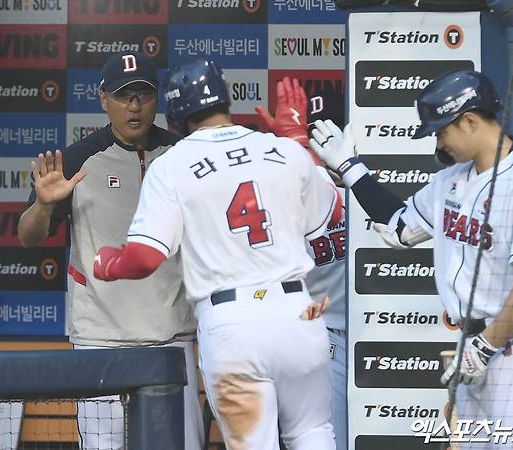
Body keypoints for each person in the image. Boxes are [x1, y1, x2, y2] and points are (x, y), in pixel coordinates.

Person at [93, 56, 343, 450]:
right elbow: (330, 214)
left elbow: (144, 258)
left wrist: (107, 264)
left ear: (175, 112)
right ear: (226, 100)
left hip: (233, 324)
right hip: (297, 313)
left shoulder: (172, 164)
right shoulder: (281, 149)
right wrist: (297, 143)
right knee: (313, 433)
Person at [310, 69, 513, 449]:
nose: (438, 142)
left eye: (442, 131)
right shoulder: (451, 180)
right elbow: (398, 227)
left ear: (470, 121)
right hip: (473, 348)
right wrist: (350, 167)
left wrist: (485, 347)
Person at [17, 50, 203, 450]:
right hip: (101, 334)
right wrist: (44, 205)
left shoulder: (184, 156)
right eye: (122, 95)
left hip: (172, 334)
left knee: (180, 445)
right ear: (104, 99)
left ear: (158, 99)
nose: (133, 106)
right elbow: (28, 237)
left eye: (143, 94)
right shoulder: (76, 159)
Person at [256, 80, 347, 450]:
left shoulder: (368, 184)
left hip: (370, 336)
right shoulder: (279, 192)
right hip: (316, 339)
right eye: (310, 137)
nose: (316, 147)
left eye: (325, 136)